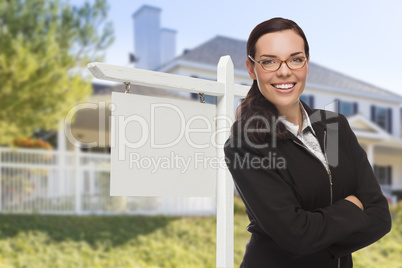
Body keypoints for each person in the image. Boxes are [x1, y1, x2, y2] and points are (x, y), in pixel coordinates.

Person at [224, 17, 391, 268]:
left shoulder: (335, 127)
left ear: (307, 63)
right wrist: (352, 208)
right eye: (269, 61)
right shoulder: (246, 143)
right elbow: (296, 236)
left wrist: (316, 240)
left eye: (295, 58)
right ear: (251, 69)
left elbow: (379, 216)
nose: (284, 71)